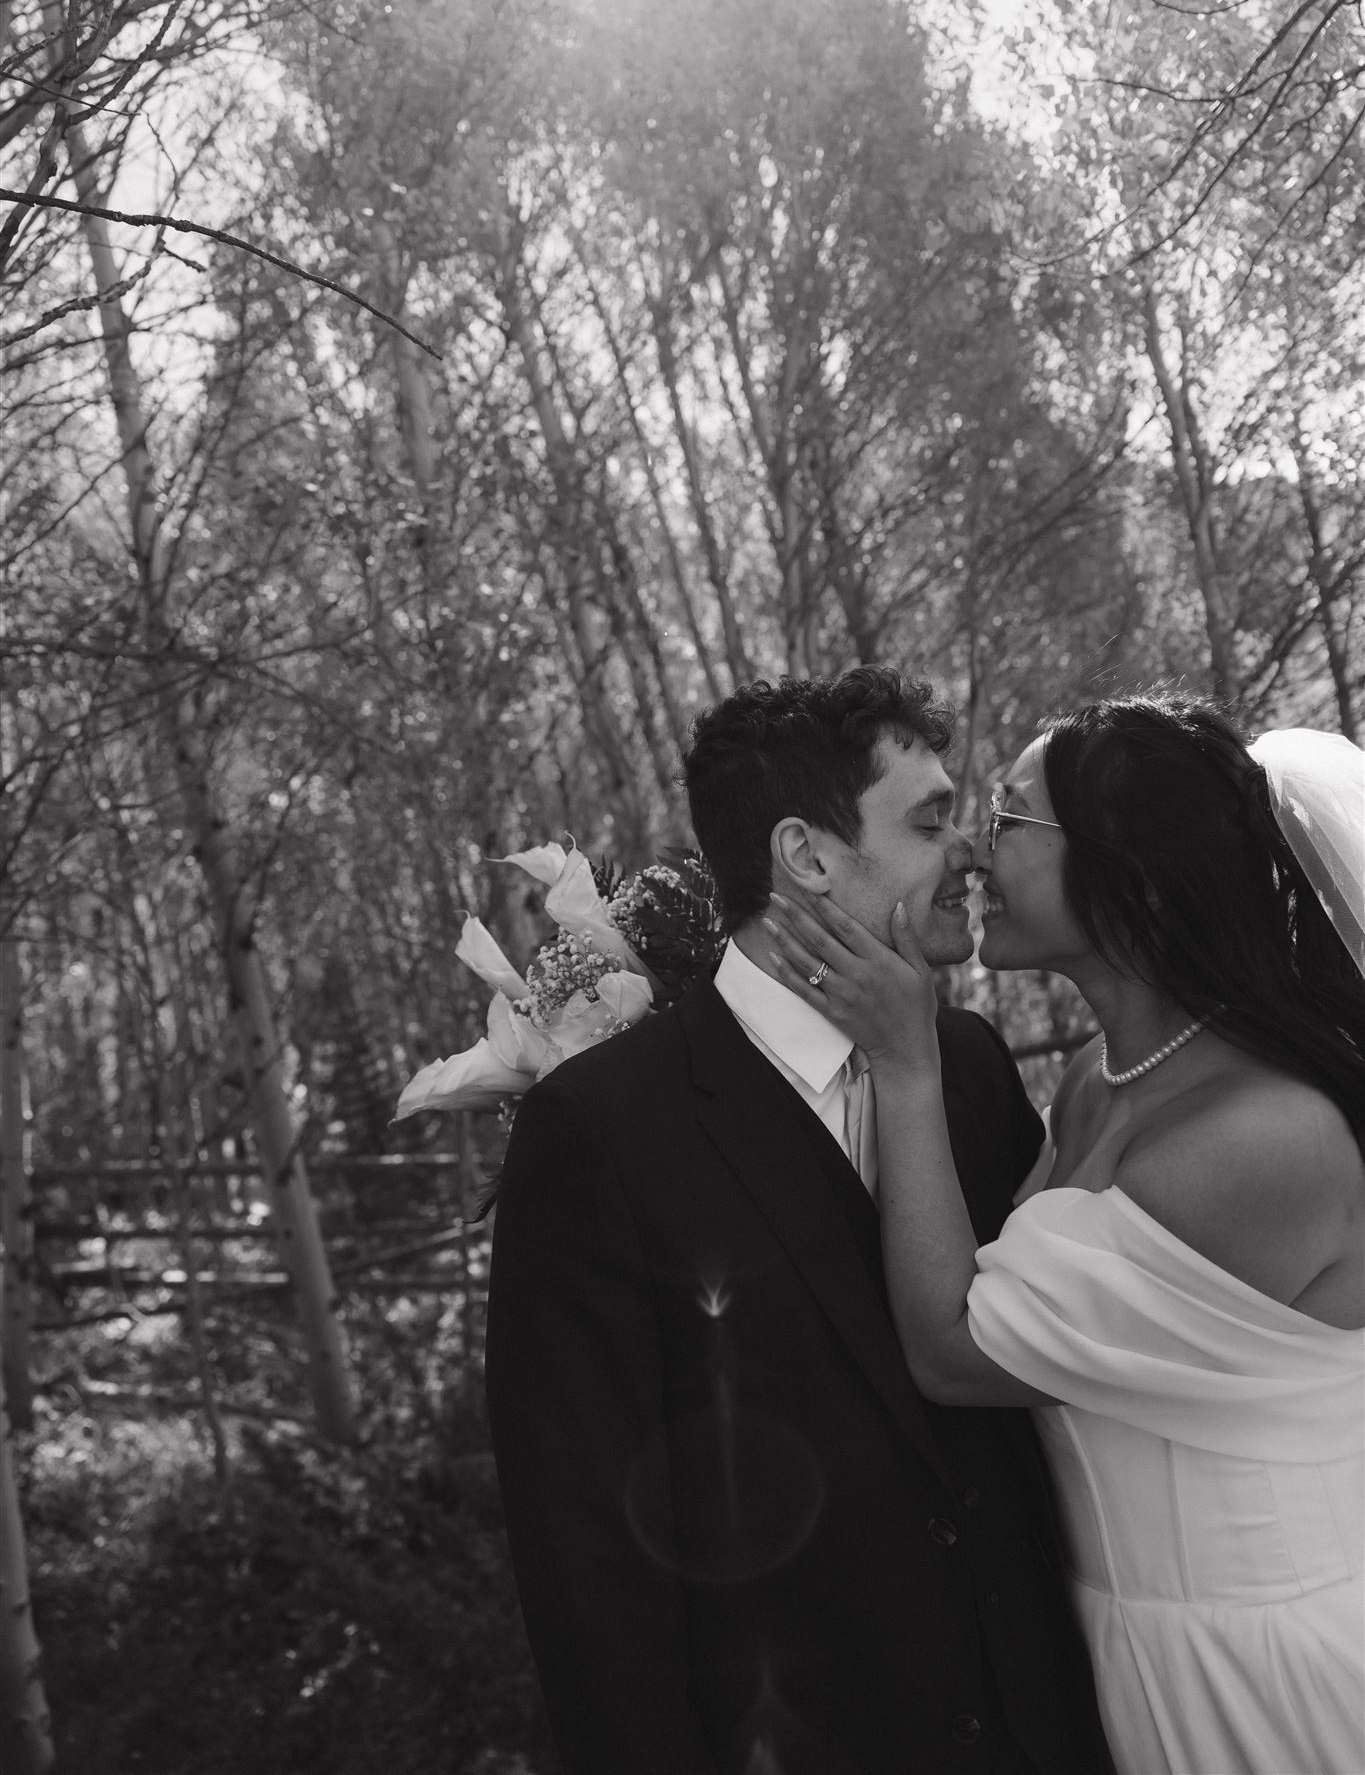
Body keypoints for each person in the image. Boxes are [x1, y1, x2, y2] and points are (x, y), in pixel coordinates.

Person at [484, 667, 1111, 1775]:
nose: (970, 850)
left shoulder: (966, 1068)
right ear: (806, 855)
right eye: (930, 819)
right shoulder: (600, 1131)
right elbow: (587, 1568)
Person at [764, 695, 1365, 1775]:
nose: (978, 848)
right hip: (1137, 1641)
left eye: (1011, 816)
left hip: (1275, 1665)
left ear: (1125, 869)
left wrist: (905, 1064)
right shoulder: (1101, 1076)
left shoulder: (1258, 1136)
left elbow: (954, 1346)